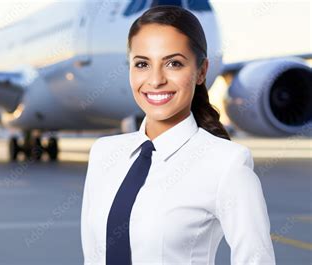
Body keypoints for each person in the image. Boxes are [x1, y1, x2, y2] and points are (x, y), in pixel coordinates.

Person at [80, 5, 276, 265]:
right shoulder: (103, 153)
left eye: (173, 63)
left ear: (201, 71)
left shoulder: (227, 164)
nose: (155, 80)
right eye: (142, 64)